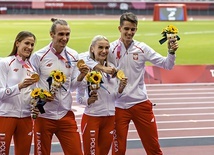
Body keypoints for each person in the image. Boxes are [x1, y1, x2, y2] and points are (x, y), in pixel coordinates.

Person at [88, 12, 179, 155]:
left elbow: (167, 64)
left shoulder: (142, 48)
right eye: (126, 29)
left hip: (140, 103)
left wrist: (171, 51)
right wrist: (102, 67)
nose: (129, 32)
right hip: (118, 106)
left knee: (153, 148)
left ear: (136, 29)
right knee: (118, 151)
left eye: (132, 29)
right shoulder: (109, 49)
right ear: (119, 29)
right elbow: (85, 59)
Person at [30, 18, 89, 155]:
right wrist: (41, 96)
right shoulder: (38, 56)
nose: (65, 38)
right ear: (52, 34)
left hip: (65, 114)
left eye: (67, 34)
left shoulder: (74, 55)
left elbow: (72, 87)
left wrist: (81, 76)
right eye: (61, 34)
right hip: (44, 116)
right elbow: (31, 85)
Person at [77, 35, 127, 155]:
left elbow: (114, 97)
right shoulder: (86, 69)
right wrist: (88, 101)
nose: (104, 51)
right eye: (100, 47)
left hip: (110, 117)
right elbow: (79, 98)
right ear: (92, 48)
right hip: (92, 117)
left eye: (107, 48)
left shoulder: (112, 69)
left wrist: (120, 88)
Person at [0, 31, 37, 155]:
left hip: (26, 117)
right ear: (17, 43)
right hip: (6, 115)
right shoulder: (5, 63)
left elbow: (34, 94)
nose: (30, 47)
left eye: (32, 45)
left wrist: (37, 104)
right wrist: (19, 86)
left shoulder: (32, 68)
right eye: (27, 43)